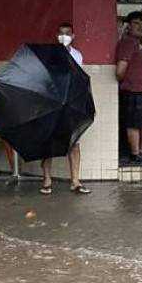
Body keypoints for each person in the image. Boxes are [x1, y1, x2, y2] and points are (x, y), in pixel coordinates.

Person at [41, 22, 91, 195]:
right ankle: (47, 179)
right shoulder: (50, 55)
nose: (64, 36)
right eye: (61, 33)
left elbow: (79, 80)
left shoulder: (78, 56)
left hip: (70, 103)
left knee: (74, 142)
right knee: (48, 142)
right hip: (52, 102)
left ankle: (75, 181)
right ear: (57, 36)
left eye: (67, 33)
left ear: (73, 36)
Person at [116, 11, 142, 164]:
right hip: (133, 91)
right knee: (134, 123)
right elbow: (120, 70)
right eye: (136, 23)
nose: (141, 26)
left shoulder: (138, 42)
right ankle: (135, 154)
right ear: (128, 26)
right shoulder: (127, 42)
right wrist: (128, 82)